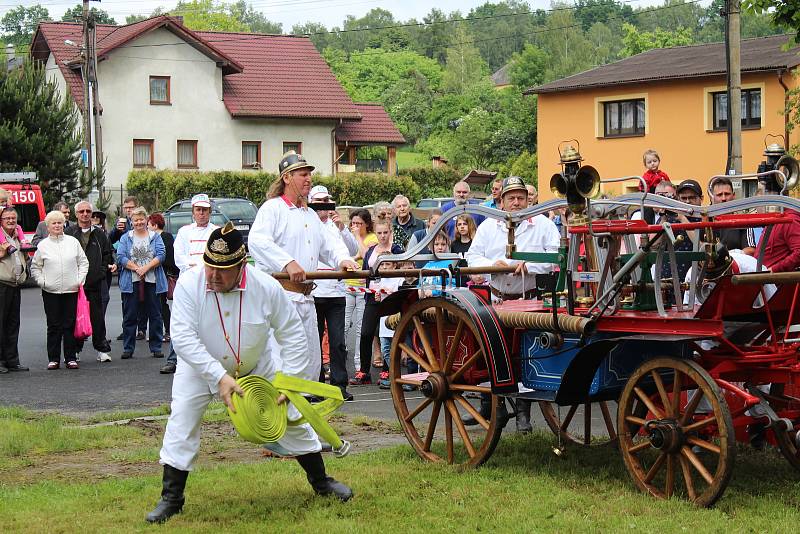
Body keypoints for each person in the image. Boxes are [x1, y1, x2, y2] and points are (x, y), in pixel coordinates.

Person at [146, 223, 352, 524]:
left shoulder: (266, 287)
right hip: (201, 367)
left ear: (242, 265)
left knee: (291, 417)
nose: (213, 276)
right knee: (182, 420)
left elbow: (292, 333)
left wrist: (289, 382)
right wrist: (218, 376)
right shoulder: (190, 285)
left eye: (223, 270)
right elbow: (183, 338)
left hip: (258, 364)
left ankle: (321, 482)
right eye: (209, 267)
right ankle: (171, 498)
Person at [249, 151, 358, 383]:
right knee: (282, 358)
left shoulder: (309, 214)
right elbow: (257, 241)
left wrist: (342, 260)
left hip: (307, 298)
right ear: (287, 178)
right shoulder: (272, 209)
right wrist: (287, 263)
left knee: (308, 359)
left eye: (309, 174)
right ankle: (280, 410)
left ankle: (302, 412)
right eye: (302, 174)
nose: (308, 179)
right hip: (280, 296)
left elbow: (329, 245)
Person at [466, 176, 561, 433]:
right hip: (496, 299)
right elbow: (472, 256)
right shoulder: (488, 226)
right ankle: (494, 407)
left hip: (530, 300)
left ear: (528, 199)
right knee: (492, 353)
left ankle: (522, 413)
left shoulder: (543, 224)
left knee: (524, 358)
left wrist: (529, 265)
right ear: (502, 201)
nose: (517, 202)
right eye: (511, 198)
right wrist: (491, 265)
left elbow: (556, 258)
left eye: (520, 197)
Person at [309, 186, 358, 401]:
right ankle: (318, 385)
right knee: (315, 340)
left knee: (339, 341)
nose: (323, 206)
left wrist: (342, 228)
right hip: (315, 291)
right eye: (318, 201)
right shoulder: (308, 224)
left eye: (326, 201)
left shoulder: (335, 226)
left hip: (336, 291)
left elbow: (353, 250)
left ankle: (339, 385)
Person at [160, 194, 218, 374]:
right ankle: (173, 359)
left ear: (210, 211)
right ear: (193, 212)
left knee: (211, 321)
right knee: (181, 321)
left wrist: (201, 266)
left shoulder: (216, 231)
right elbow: (180, 258)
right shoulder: (185, 232)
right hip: (188, 284)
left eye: (205, 210)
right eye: (198, 210)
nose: (202, 214)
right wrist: (198, 267)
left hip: (210, 283)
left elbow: (216, 257)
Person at [30, 210, 88, 370]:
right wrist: (43, 282)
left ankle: (70, 357)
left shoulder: (73, 242)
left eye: (59, 222)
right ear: (47, 227)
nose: (57, 225)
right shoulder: (42, 245)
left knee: (69, 324)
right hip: (50, 291)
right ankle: (53, 358)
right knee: (54, 325)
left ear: (64, 224)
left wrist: (79, 280)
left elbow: (83, 262)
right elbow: (35, 267)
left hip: (71, 290)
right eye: (53, 223)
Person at [351, 220, 403, 386]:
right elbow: (367, 271)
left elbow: (402, 269)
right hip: (373, 296)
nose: (382, 236)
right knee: (366, 332)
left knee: (388, 333)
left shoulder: (396, 250)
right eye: (379, 233)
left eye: (385, 233)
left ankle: (388, 369)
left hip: (391, 296)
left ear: (390, 232)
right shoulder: (371, 251)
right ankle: (364, 371)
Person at [65, 200, 116, 363]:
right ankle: (75, 350)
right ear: (76, 214)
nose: (85, 214)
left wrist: (101, 272)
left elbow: (108, 254)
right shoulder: (68, 233)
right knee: (75, 317)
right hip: (74, 283)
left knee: (97, 318)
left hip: (95, 283)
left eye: (88, 211)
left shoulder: (100, 234)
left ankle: (102, 349)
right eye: (82, 211)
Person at [118, 207, 167, 360]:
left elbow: (161, 254)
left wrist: (146, 268)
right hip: (131, 281)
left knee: (155, 315)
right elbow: (120, 256)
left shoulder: (155, 237)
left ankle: (156, 347)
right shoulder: (126, 237)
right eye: (135, 220)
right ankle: (128, 348)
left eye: (141, 219)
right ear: (131, 222)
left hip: (152, 281)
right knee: (130, 316)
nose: (139, 222)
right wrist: (137, 269)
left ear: (146, 220)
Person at [343, 208, 376, 377]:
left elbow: (366, 255)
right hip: (348, 286)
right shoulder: (347, 238)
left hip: (363, 288)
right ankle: (341, 362)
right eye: (353, 223)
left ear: (367, 224)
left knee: (360, 329)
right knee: (344, 325)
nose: (355, 226)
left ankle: (359, 367)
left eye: (359, 224)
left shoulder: (372, 238)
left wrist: (357, 237)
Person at [0, 207, 30, 373]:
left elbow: (23, 256)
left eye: (13, 218)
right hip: (2, 284)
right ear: (1, 220)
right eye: (7, 218)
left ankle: (12, 360)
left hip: (15, 285)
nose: (11, 221)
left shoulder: (19, 236)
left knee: (12, 324)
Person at [149, 213, 178, 344]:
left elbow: (168, 258)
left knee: (161, 305)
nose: (147, 227)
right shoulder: (153, 237)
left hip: (163, 275)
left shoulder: (165, 237)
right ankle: (158, 332)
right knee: (156, 305)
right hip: (154, 275)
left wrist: (154, 262)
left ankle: (168, 331)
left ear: (154, 225)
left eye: (148, 224)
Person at [710, 177, 756, 254]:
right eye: (719, 195)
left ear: (734, 195)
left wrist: (732, 255)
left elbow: (751, 250)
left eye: (727, 194)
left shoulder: (743, 221)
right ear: (712, 198)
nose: (723, 198)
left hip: (736, 264)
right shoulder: (705, 221)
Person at [451, 214, 477, 286]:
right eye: (459, 224)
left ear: (470, 225)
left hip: (474, 280)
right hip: (459, 281)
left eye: (465, 224)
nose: (462, 226)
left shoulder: (476, 243)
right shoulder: (454, 245)